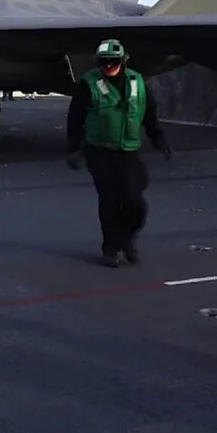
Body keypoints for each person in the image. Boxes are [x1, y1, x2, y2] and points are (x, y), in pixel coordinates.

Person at [66, 39, 172, 267]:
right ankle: (110, 248)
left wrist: (158, 138)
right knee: (109, 200)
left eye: (113, 61)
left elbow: (149, 113)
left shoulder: (137, 82)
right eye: (103, 62)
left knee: (135, 202)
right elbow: (75, 117)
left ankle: (127, 238)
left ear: (123, 61)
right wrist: (74, 148)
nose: (108, 66)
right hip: (98, 151)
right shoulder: (89, 83)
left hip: (128, 150)